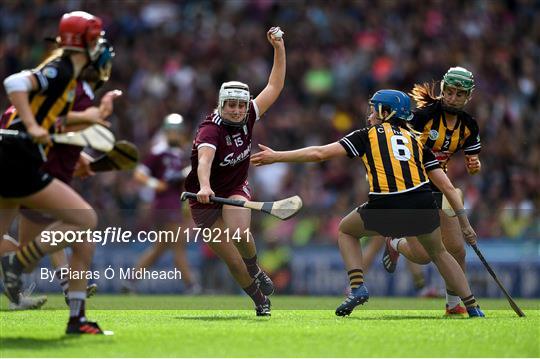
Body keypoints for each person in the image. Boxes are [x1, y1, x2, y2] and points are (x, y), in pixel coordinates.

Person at [251, 89, 485, 318]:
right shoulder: (417, 142)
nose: (370, 115)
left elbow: (319, 154)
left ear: (386, 112)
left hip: (386, 205)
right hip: (422, 203)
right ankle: (473, 307)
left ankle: (357, 286)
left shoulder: (366, 135)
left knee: (346, 230)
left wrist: (277, 156)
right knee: (440, 253)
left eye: (374, 110)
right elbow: (446, 187)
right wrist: (465, 223)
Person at [0, 11, 111, 334]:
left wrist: (92, 115)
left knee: (82, 239)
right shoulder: (61, 68)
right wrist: (32, 125)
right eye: (95, 37)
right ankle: (17, 264)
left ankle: (76, 318)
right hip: (16, 159)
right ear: (85, 41)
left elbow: (57, 122)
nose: (99, 44)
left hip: (15, 157)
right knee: (85, 219)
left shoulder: (69, 78)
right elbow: (14, 82)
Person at [183, 26, 286, 316]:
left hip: (234, 188)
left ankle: (257, 269)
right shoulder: (210, 130)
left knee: (240, 234)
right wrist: (204, 187)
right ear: (221, 104)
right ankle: (259, 300)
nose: (238, 111)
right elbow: (204, 161)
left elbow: (275, 86)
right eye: (231, 106)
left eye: (241, 105)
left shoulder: (250, 115)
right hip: (202, 197)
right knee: (232, 260)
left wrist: (279, 48)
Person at [381, 67, 481, 315]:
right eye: (449, 92)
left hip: (442, 187)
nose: (453, 97)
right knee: (424, 255)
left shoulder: (469, 125)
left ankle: (453, 304)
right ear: (443, 90)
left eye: (459, 94)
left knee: (457, 249)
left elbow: (473, 163)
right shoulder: (422, 117)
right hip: (414, 187)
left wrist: (475, 165)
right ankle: (395, 243)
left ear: (468, 97)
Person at [123, 113, 200, 294]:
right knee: (178, 246)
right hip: (165, 205)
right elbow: (139, 174)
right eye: (171, 131)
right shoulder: (159, 151)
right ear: (166, 132)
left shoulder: (181, 155)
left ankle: (130, 281)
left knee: (160, 248)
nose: (175, 134)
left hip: (174, 205)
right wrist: (155, 184)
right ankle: (192, 286)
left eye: (178, 131)